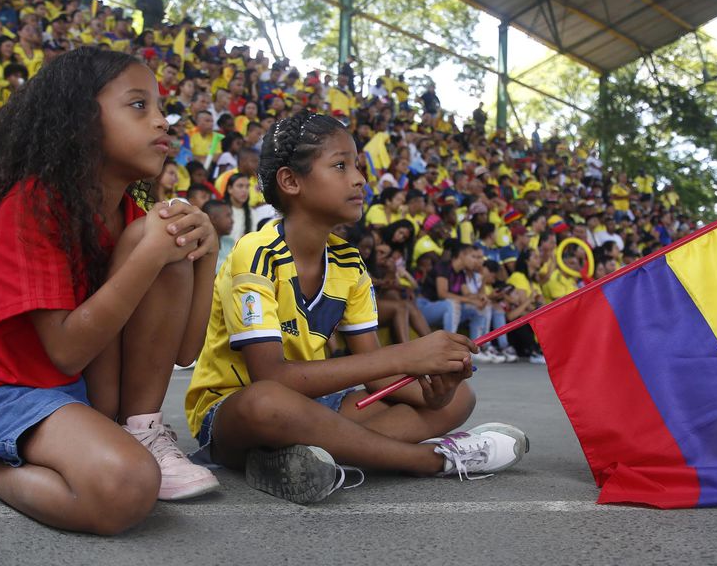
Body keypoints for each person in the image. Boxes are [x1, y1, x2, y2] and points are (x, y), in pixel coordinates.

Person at [0, 48, 220, 536]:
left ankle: (142, 428)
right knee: (124, 489)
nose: (162, 121)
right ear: (81, 120)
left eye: (160, 107)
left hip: (87, 395)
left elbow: (185, 351)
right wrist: (151, 254)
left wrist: (205, 254)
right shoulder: (33, 205)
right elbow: (65, 352)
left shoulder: (135, 218)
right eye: (138, 105)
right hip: (12, 394)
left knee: (162, 230)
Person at [185, 109, 527, 505]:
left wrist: (434, 393)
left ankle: (299, 459)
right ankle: (429, 459)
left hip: (314, 406)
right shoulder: (255, 252)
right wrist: (407, 355)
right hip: (234, 413)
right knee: (267, 403)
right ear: (291, 181)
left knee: (460, 398)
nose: (359, 178)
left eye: (358, 166)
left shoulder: (349, 263)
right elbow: (271, 377)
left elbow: (381, 381)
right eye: (341, 165)